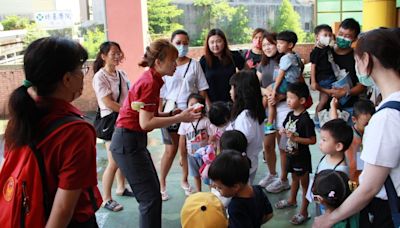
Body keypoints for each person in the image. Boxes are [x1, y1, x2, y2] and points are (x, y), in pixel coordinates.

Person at [2, 37, 102, 226]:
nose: (83, 75)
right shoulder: (76, 131)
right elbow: (64, 209)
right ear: (66, 79)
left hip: (28, 216)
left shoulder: (19, 119)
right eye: (81, 70)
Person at [313, 28, 400, 228]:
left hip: (388, 210)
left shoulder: (385, 117)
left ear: (366, 60)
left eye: (356, 59)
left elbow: (369, 187)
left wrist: (330, 218)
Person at [109, 39, 201, 228]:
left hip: (132, 141)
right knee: (150, 199)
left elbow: (147, 116)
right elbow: (146, 123)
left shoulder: (153, 79)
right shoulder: (150, 82)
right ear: (158, 62)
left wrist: (169, 114)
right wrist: (179, 118)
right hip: (128, 141)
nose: (175, 64)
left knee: (152, 196)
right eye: (172, 61)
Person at [159, 29, 210, 200]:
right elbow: (160, 92)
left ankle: (185, 180)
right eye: (178, 42)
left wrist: (200, 110)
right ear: (171, 43)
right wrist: (159, 114)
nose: (182, 46)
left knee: (189, 150)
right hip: (171, 113)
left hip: (190, 114)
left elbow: (202, 89)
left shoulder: (194, 64)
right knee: (171, 150)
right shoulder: (165, 65)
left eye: (185, 42)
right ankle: (162, 184)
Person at [92, 41, 132, 212]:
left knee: (121, 156)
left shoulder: (121, 73)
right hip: (110, 121)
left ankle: (121, 187)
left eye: (118, 53)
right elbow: (107, 102)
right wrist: (129, 112)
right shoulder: (99, 77)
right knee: (114, 161)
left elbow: (128, 96)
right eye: (113, 53)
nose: (117, 56)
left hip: (122, 118)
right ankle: (106, 199)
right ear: (103, 56)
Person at [274, 82, 316, 225]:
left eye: (291, 98)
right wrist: (282, 131)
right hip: (291, 155)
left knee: (305, 185)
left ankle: (304, 211)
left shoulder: (306, 120)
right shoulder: (290, 114)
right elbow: (285, 126)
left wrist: (295, 138)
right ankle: (292, 200)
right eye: (287, 98)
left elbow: (312, 140)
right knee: (294, 179)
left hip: (302, 158)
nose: (288, 101)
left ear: (302, 100)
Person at [256, 32, 291, 193]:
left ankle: (283, 179)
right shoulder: (262, 64)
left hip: (284, 107)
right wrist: (267, 92)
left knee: (282, 146)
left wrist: (281, 96)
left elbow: (298, 86)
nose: (267, 48)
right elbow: (257, 85)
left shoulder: (287, 61)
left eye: (270, 44)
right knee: (268, 145)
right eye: (264, 45)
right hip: (267, 109)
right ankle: (272, 173)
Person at [209, 150, 273, 228]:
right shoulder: (258, 190)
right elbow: (269, 214)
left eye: (219, 187)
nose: (216, 189)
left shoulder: (235, 207)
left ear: (235, 187)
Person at [226, 70, 265, 184]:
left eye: (232, 88)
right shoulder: (255, 111)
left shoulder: (245, 117)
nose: (230, 91)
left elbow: (239, 143)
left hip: (240, 167)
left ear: (240, 91)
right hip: (251, 162)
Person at [323, 18, 365, 116]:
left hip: (350, 109)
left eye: (347, 36)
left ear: (354, 39)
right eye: (341, 34)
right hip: (327, 108)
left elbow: (362, 85)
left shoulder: (358, 58)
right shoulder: (325, 53)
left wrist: (345, 92)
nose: (342, 38)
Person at [311, 119, 353, 216]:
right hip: (321, 200)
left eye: (324, 140)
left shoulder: (340, 171)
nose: (320, 142)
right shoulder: (329, 155)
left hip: (329, 210)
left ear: (338, 146)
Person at [265, 30, 303, 134]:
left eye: (281, 43)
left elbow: (280, 75)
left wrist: (274, 90)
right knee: (269, 94)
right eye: (277, 43)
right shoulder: (296, 56)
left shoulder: (286, 58)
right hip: (293, 84)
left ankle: (269, 123)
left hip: (287, 83)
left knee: (269, 95)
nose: (278, 46)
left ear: (290, 45)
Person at [330, 99, 375, 184]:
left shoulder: (374, 133)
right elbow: (334, 125)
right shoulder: (348, 134)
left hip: (363, 175)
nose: (368, 127)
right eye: (365, 124)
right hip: (349, 177)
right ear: (354, 119)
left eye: (371, 123)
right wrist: (333, 107)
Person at [200, 28, 245, 103]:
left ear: (224, 42)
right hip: (213, 104)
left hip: (233, 102)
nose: (215, 45)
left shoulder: (234, 56)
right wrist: (208, 106)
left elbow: (248, 75)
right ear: (208, 44)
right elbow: (201, 86)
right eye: (212, 42)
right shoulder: (204, 60)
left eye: (218, 41)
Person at [178, 93, 210, 194]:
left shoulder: (206, 121)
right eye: (191, 105)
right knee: (196, 176)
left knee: (209, 175)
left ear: (202, 107)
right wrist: (181, 156)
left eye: (197, 105)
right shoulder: (184, 122)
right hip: (192, 155)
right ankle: (199, 193)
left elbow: (211, 136)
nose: (194, 108)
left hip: (205, 155)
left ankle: (211, 193)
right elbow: (182, 140)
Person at [309, 24, 336, 126]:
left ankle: (322, 118)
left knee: (325, 100)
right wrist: (313, 82)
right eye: (325, 35)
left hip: (330, 77)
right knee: (324, 100)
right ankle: (316, 119)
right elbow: (313, 67)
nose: (328, 37)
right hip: (323, 79)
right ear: (317, 36)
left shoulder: (328, 49)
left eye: (329, 35)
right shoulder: (316, 51)